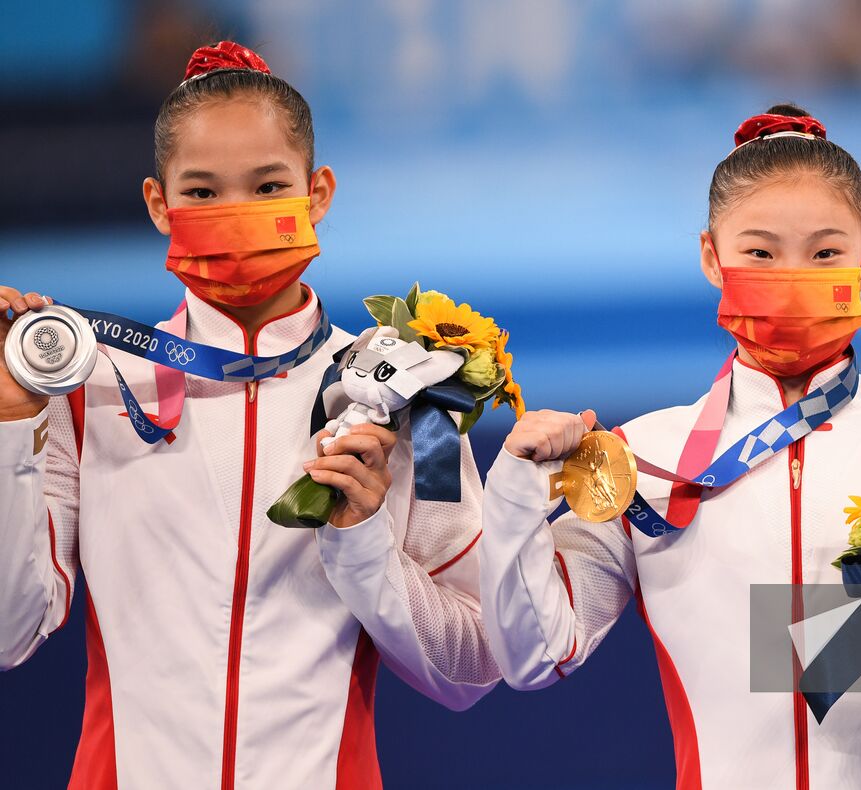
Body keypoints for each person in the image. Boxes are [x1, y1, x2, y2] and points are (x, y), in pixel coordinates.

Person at [0, 42, 499, 788]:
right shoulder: (88, 387)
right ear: (157, 203)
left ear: (318, 192)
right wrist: (11, 423)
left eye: (268, 186)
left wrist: (363, 547)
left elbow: (473, 667)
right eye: (202, 193)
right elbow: (10, 633)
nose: (236, 216)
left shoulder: (415, 400)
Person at [478, 104, 861, 789]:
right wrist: (516, 493)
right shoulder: (639, 460)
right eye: (759, 253)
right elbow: (535, 654)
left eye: (825, 253)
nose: (792, 277)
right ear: (711, 257)